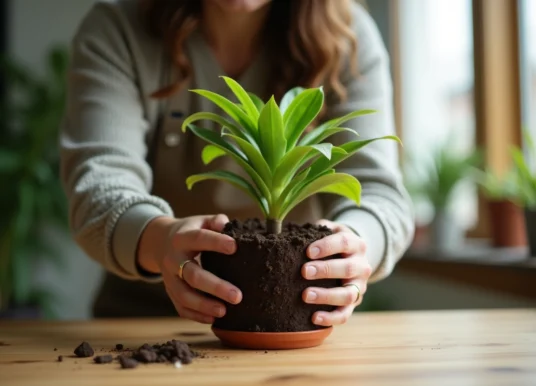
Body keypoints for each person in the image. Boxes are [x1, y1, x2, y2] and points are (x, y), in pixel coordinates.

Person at [60, 0, 414, 325]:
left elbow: (378, 194)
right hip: (141, 325)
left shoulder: (346, 32)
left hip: (296, 321)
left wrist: (354, 243)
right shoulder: (120, 26)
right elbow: (99, 185)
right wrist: (162, 240)